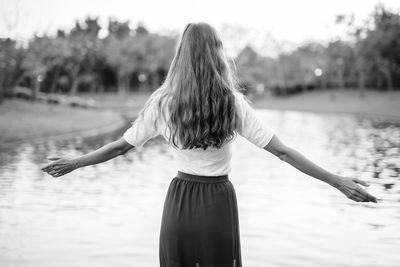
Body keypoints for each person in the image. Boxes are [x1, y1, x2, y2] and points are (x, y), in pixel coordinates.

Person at [41, 22, 378, 267]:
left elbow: (120, 147)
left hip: (179, 202)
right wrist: (338, 182)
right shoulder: (232, 103)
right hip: (218, 202)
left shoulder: (163, 102)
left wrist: (76, 162)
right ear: (218, 53)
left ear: (181, 56)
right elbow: (283, 151)